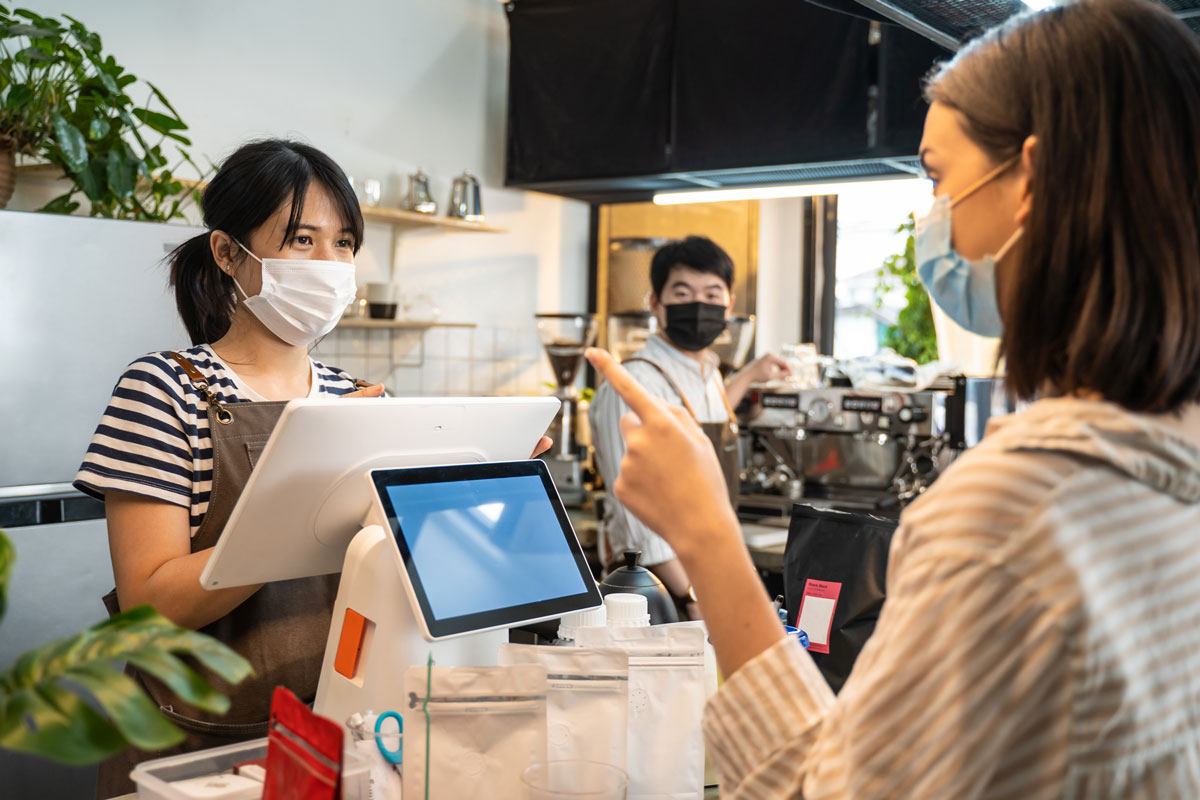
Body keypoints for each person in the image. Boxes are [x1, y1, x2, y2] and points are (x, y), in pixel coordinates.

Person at [586, 0, 1200, 796]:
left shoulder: (1013, 513)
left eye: (939, 178)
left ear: (1031, 182)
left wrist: (708, 538)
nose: (931, 220)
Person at [73, 139, 549, 796]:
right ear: (226, 253)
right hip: (203, 747)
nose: (330, 264)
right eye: (301, 239)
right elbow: (149, 605)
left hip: (352, 732)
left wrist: (483, 486)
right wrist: (302, 506)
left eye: (344, 242)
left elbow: (420, 580)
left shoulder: (367, 402)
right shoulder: (164, 388)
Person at [589, 235, 788, 617]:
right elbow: (637, 519)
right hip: (652, 593)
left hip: (706, 575)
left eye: (713, 294)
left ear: (729, 304)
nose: (699, 304)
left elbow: (698, 422)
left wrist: (749, 374)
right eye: (682, 293)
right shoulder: (634, 383)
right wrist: (696, 598)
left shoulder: (707, 373)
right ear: (655, 304)